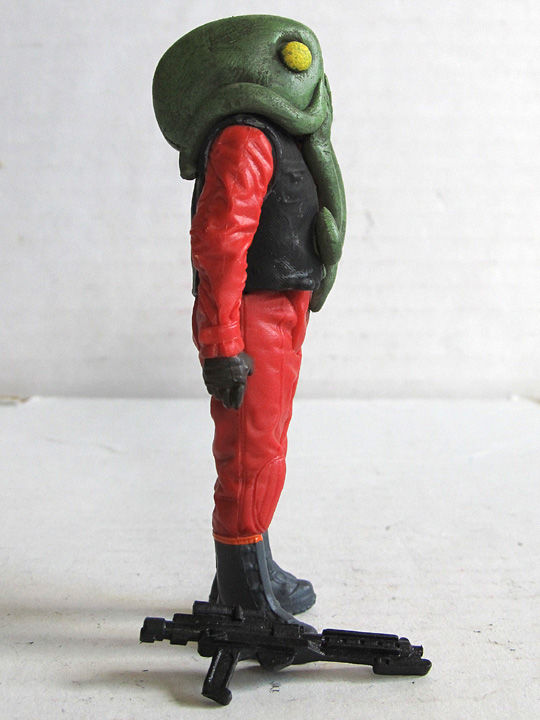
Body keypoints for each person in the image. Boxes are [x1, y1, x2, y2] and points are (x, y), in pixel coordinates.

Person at [153, 15, 346, 625]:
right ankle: (245, 590)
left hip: (279, 308)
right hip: (253, 311)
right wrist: (222, 343)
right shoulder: (245, 137)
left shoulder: (274, 133)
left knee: (265, 445)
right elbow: (220, 244)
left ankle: (250, 565)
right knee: (248, 452)